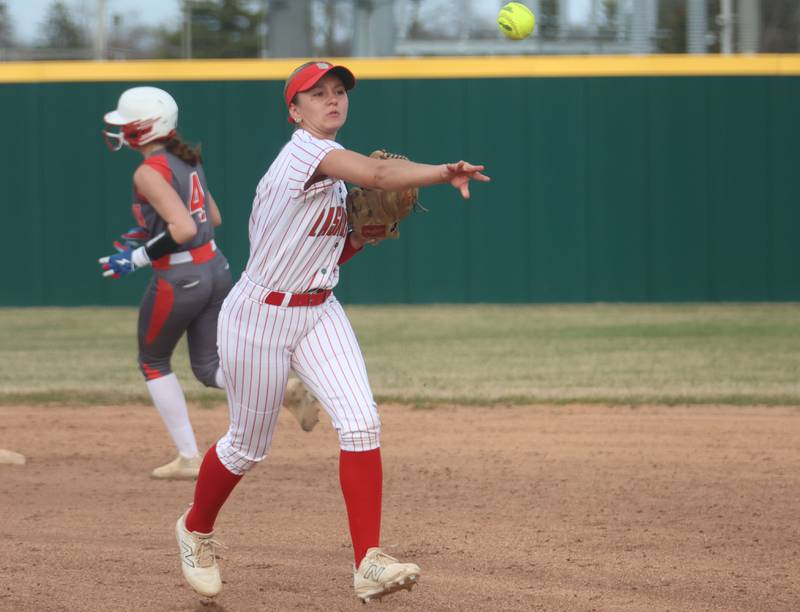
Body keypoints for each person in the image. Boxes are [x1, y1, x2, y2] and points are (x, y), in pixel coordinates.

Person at [174, 60, 490, 603]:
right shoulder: (306, 153)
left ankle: (368, 562)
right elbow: (380, 176)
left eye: (338, 90)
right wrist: (444, 172)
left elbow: (332, 250)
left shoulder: (336, 172)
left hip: (319, 310)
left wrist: (360, 238)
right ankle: (195, 529)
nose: (332, 99)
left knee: (362, 423)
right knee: (247, 447)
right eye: (317, 93)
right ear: (295, 111)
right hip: (258, 315)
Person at [99, 86, 234, 480]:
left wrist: (136, 257)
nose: (122, 130)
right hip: (216, 267)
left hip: (181, 276)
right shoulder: (186, 158)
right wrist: (150, 234)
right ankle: (281, 387)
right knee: (209, 368)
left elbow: (184, 227)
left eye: (128, 123)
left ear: (144, 128)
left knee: (153, 361)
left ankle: (189, 456)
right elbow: (213, 219)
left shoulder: (148, 170)